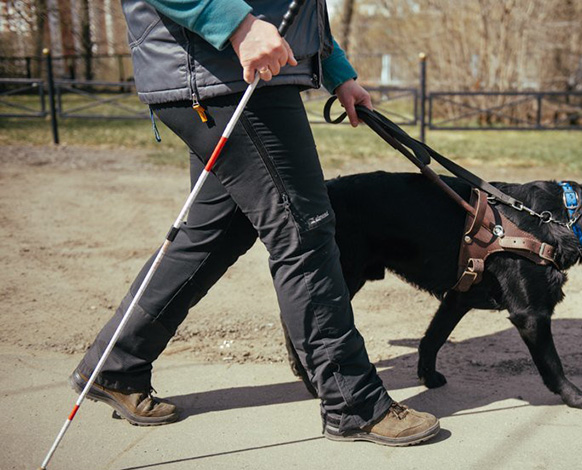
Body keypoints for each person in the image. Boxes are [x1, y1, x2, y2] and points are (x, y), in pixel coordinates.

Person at [69, 0, 440, 447]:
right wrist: (237, 25)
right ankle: (354, 402)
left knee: (215, 233)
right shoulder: (234, 37)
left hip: (230, 72)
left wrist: (335, 69)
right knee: (305, 232)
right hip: (227, 73)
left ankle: (117, 364)